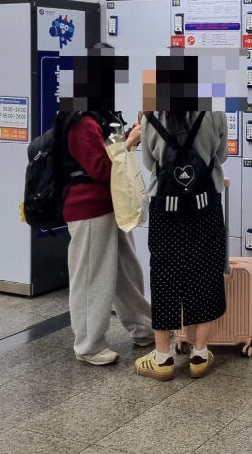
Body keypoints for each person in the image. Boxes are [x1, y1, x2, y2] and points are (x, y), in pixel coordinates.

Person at [134, 111, 228, 381]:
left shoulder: (151, 116)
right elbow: (220, 156)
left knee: (165, 274)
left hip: (166, 209)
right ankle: (199, 354)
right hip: (205, 205)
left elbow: (150, 163)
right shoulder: (213, 113)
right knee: (205, 271)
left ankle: (162, 358)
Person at [59, 110, 154, 365]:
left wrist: (126, 139)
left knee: (126, 270)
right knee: (92, 276)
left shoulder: (99, 118)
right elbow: (100, 168)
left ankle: (144, 328)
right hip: (88, 208)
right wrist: (130, 142)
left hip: (111, 205)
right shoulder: (81, 122)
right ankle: (88, 345)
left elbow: (111, 152)